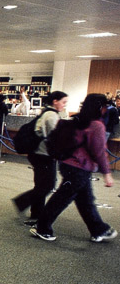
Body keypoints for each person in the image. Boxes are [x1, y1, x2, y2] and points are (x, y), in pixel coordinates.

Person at [31, 93, 116, 243]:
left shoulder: (76, 119)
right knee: (62, 199)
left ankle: (98, 229)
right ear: (100, 107)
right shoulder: (96, 125)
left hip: (69, 164)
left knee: (85, 200)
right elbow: (99, 152)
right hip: (80, 168)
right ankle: (42, 228)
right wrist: (107, 173)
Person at [13, 91, 68, 226]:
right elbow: (56, 137)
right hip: (43, 155)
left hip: (38, 154)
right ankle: (23, 202)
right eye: (63, 102)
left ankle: (36, 214)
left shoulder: (46, 113)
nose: (65, 105)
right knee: (47, 186)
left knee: (41, 185)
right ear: (55, 101)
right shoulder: (51, 116)